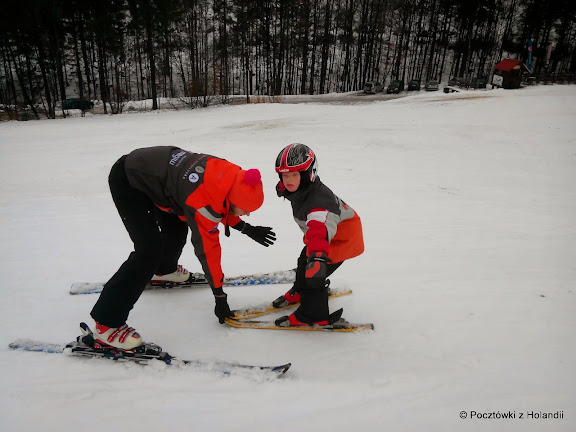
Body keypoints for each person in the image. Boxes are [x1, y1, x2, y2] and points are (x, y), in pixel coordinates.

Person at [90, 146, 276, 350]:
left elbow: (219, 203)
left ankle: (164, 271)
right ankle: (106, 323)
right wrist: (219, 297)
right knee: (148, 252)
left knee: (177, 228)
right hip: (130, 179)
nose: (247, 214)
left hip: (163, 183)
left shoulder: (230, 176)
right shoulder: (201, 198)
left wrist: (246, 228)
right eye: (246, 211)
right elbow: (208, 249)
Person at [272, 143, 364, 327]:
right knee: (302, 261)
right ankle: (299, 291)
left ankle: (313, 315)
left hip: (339, 241)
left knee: (312, 276)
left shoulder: (318, 204)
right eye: (284, 175)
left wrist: (318, 259)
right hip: (324, 237)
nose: (287, 180)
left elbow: (319, 230)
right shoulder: (302, 189)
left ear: (308, 175)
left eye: (294, 175)